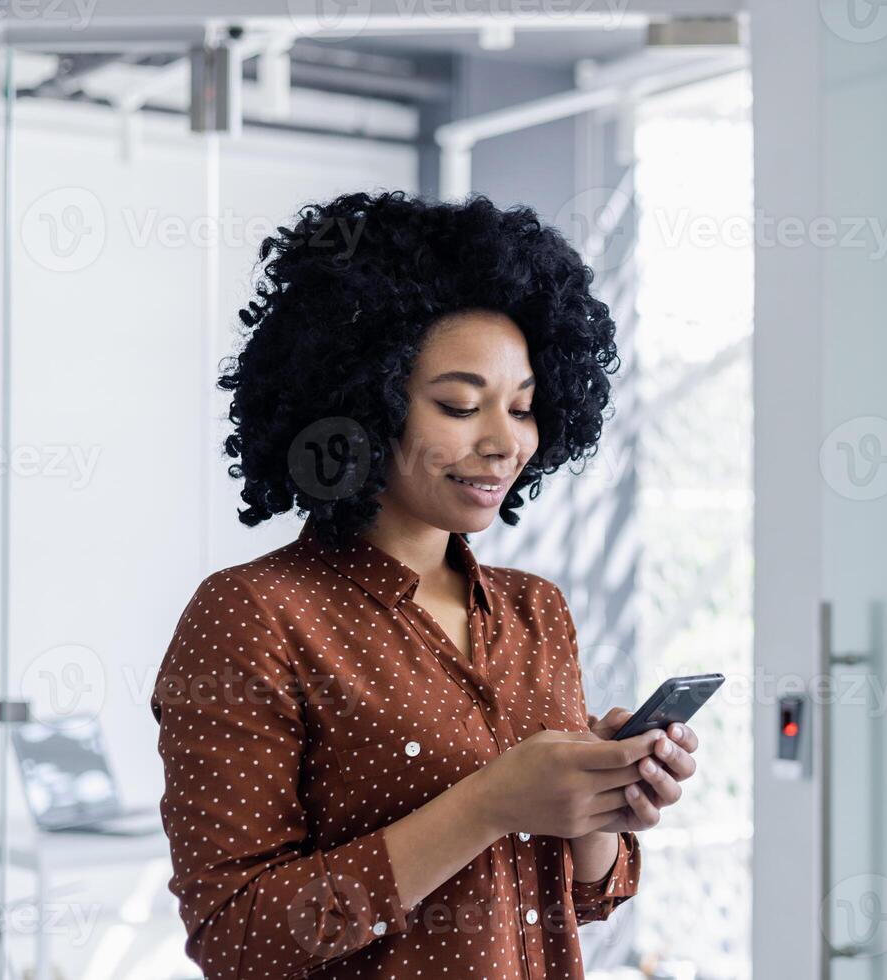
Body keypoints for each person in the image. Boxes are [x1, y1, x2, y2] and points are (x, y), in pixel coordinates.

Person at [149, 190, 698, 979]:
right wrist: (489, 803)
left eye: (524, 407)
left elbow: (575, 896)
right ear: (362, 405)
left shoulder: (534, 611)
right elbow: (240, 938)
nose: (505, 442)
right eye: (460, 405)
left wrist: (601, 806)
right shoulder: (254, 616)